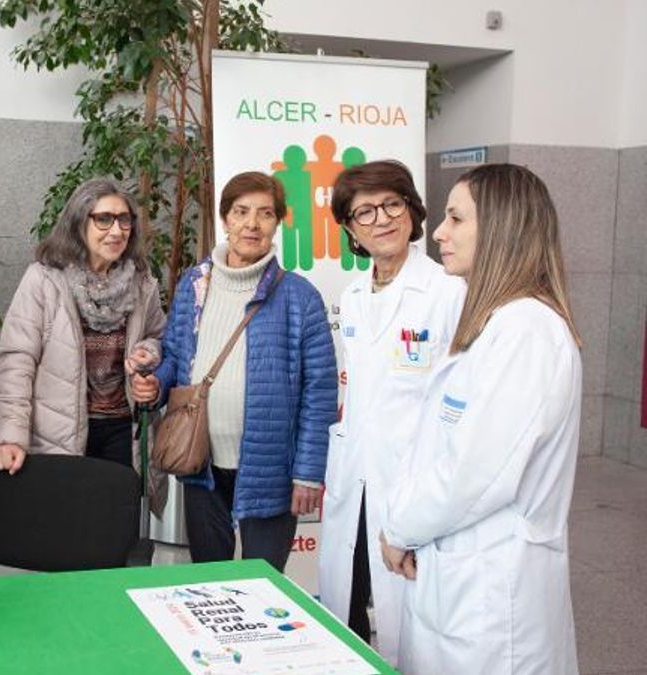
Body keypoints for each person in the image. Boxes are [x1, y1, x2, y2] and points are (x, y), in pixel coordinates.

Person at [380, 164, 582, 674]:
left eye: (455, 218)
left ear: (501, 227)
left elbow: (474, 475)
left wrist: (399, 529)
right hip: (458, 577)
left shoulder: (527, 332)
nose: (440, 233)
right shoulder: (496, 324)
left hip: (492, 594)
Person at [135, 171, 337, 571]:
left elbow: (320, 392)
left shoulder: (300, 296)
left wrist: (309, 474)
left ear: (277, 223)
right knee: (211, 584)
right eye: (241, 212)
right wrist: (156, 384)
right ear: (225, 219)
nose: (252, 224)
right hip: (201, 464)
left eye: (264, 214)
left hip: (271, 471)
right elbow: (176, 356)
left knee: (263, 584)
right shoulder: (196, 283)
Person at [316, 160, 465, 662]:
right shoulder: (354, 296)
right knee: (348, 606)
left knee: (409, 627)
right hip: (352, 479)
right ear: (350, 228)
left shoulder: (448, 291)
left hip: (410, 484)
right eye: (364, 212)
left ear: (412, 210)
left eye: (391, 204)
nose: (380, 219)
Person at [0, 178, 166, 506]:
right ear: (79, 221)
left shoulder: (141, 279)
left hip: (125, 431)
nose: (117, 230)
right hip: (60, 431)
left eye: (124, 220)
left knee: (115, 532)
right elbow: (16, 362)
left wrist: (148, 352)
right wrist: (10, 437)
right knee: (68, 531)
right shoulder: (44, 279)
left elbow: (159, 336)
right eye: (104, 219)